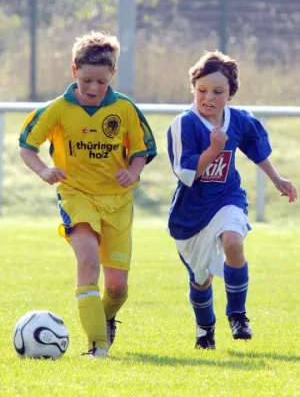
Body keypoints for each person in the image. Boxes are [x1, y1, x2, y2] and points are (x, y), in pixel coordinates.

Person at [19, 30, 157, 358]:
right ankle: (97, 347)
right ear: (74, 72)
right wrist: (44, 171)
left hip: (118, 203)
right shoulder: (56, 109)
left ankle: (105, 317)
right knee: (87, 260)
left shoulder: (125, 109)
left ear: (112, 75)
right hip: (76, 195)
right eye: (86, 81)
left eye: (100, 81)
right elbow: (27, 146)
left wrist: (133, 172)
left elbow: (142, 150)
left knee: (117, 287)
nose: (93, 88)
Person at [167, 50, 297, 350]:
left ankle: (237, 314)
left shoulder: (238, 120)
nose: (208, 97)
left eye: (218, 91)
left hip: (227, 197)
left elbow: (256, 149)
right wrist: (212, 151)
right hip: (191, 213)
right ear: (193, 90)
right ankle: (205, 329)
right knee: (201, 281)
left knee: (233, 243)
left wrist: (277, 178)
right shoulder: (184, 124)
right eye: (202, 90)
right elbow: (186, 174)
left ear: (230, 94)